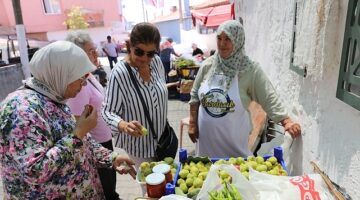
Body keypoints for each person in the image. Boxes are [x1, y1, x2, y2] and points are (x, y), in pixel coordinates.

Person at [0, 41, 136, 199]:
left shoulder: (54, 98)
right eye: (80, 77)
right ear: (61, 73)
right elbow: (35, 171)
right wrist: (78, 133)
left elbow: (82, 143)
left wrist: (111, 158)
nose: (84, 83)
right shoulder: (21, 110)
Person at [188, 20, 301, 158]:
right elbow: (194, 95)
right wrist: (193, 122)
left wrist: (286, 121)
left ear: (238, 41)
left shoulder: (250, 70)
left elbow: (268, 97)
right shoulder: (208, 65)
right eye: (219, 38)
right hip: (206, 146)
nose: (222, 44)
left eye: (228, 39)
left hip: (233, 149)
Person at [102, 22, 167, 168]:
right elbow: (107, 111)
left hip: (162, 141)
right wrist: (123, 125)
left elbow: (157, 89)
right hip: (139, 148)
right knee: (151, 188)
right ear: (129, 45)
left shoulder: (156, 62)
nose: (144, 58)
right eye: (139, 52)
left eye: (150, 53)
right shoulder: (119, 73)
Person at [65, 31, 119, 200]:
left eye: (95, 49)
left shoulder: (89, 76)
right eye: (91, 51)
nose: (96, 54)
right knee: (106, 188)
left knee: (110, 184)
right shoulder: (78, 85)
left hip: (104, 141)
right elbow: (78, 123)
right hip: (95, 145)